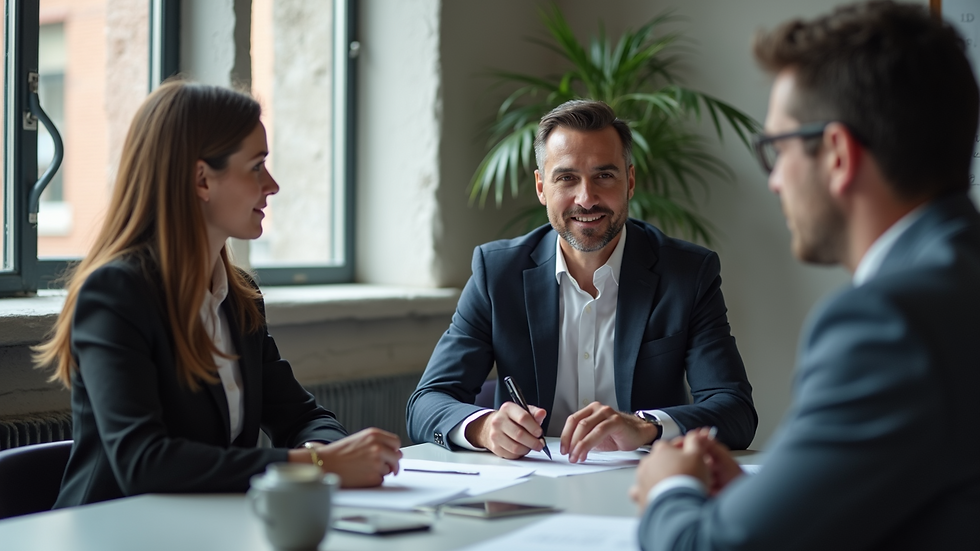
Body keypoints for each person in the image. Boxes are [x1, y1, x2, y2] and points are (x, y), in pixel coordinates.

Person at [630, 2, 980, 549]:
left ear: (837, 155)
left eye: (777, 149)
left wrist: (668, 489)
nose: (773, 182)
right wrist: (765, 498)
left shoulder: (887, 324)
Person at [33, 81, 402, 508]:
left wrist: (331, 454)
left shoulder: (240, 298)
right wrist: (317, 465)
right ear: (202, 180)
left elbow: (302, 417)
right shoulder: (115, 294)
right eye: (257, 167)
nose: (273, 185)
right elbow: (143, 463)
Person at [407, 100, 757, 462]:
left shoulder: (687, 273)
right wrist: (483, 428)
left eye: (604, 176)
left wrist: (646, 426)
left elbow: (734, 411)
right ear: (542, 187)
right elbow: (426, 402)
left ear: (630, 182)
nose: (586, 198)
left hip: (644, 480)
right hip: (528, 486)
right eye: (567, 178)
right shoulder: (497, 273)